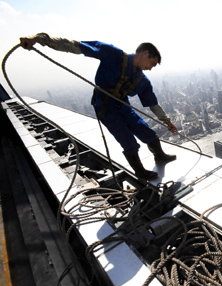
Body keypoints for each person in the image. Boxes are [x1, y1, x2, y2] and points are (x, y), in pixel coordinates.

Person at [20, 33, 177, 180]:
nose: (150, 68)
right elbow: (74, 46)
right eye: (152, 63)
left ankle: (159, 155)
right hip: (106, 107)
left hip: (123, 106)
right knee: (127, 140)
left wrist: (167, 121)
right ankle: (140, 172)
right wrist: (39, 39)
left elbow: (152, 103)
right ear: (145, 53)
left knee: (145, 130)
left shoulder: (141, 80)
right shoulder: (113, 54)